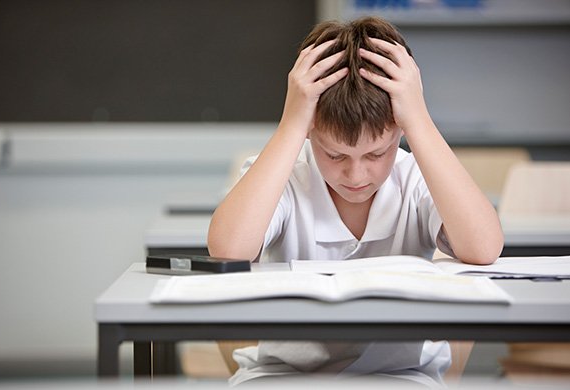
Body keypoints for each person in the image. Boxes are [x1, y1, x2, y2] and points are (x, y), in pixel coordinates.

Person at [208, 16, 503, 386]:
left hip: (401, 375)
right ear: (311, 129)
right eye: (335, 156)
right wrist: (291, 124)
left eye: (377, 154)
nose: (357, 176)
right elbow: (228, 250)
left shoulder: (414, 176)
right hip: (284, 375)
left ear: (399, 129)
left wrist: (420, 120)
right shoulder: (285, 172)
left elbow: (484, 247)